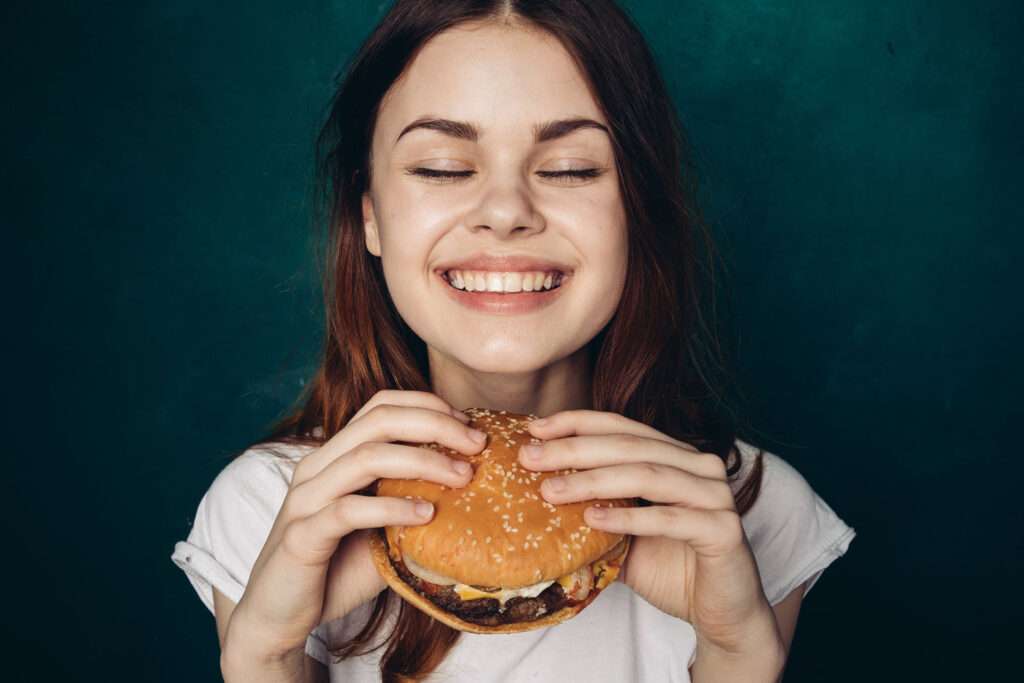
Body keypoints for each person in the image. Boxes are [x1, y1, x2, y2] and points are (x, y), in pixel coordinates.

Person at [171, 1, 856, 681]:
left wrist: (739, 656)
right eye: (441, 166)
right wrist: (263, 656)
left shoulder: (748, 511)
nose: (505, 212)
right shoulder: (270, 507)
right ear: (370, 215)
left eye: (568, 169)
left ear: (637, 212)